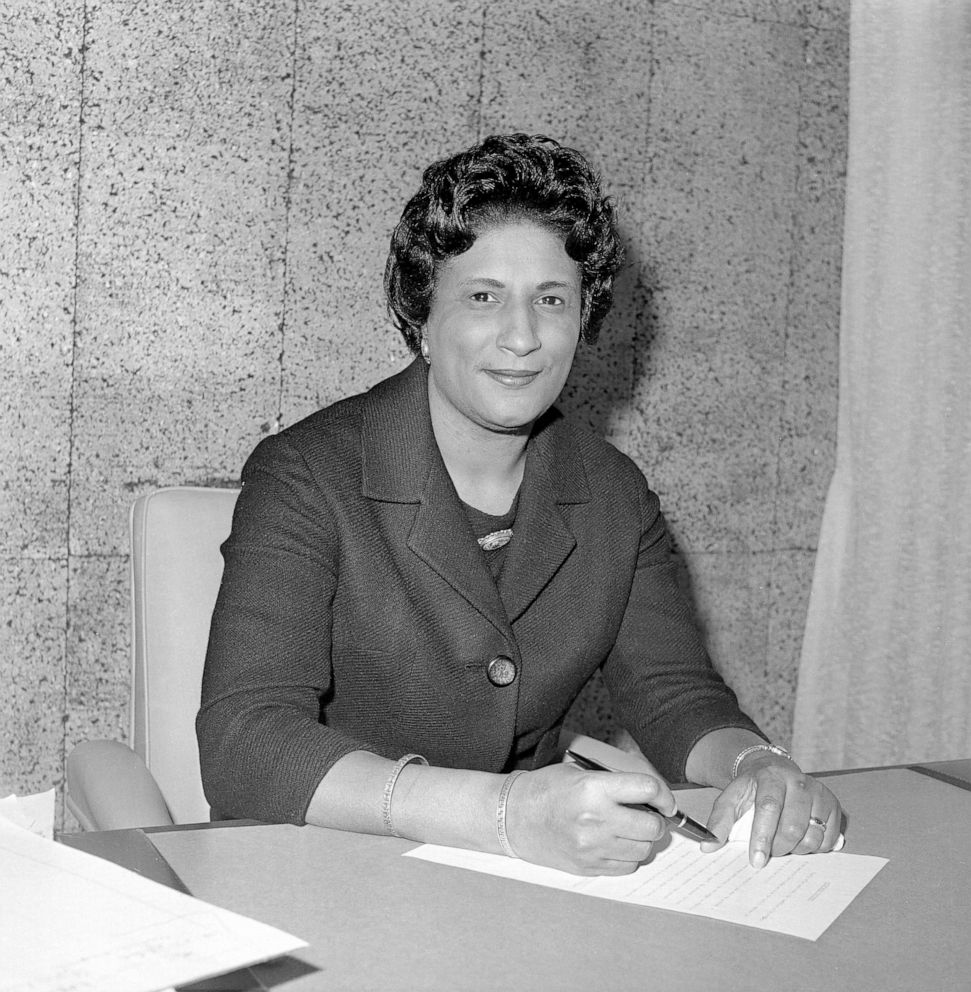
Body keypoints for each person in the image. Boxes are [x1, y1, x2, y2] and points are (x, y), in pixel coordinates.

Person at [197, 133, 842, 876]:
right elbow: (244, 740)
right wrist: (503, 815)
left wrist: (757, 764)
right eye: (482, 297)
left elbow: (673, 695)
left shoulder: (612, 493)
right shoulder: (307, 474)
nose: (521, 337)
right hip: (329, 862)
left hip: (524, 879)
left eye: (550, 300)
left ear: (581, 319)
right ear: (420, 320)